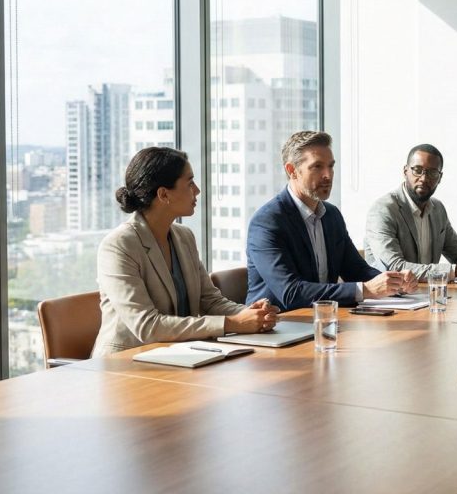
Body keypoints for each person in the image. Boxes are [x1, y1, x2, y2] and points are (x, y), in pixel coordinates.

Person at [93, 147, 278, 357]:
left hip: (178, 355)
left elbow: (210, 300)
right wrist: (232, 323)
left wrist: (250, 314)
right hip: (125, 362)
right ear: (163, 194)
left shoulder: (184, 236)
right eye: (190, 183)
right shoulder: (119, 245)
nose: (197, 190)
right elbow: (147, 326)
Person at [247, 131, 417, 311]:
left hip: (325, 318)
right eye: (317, 167)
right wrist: (367, 290)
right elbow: (291, 293)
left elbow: (356, 270)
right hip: (281, 321)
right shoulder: (267, 222)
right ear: (292, 171)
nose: (328, 175)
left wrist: (395, 282)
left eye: (330, 166)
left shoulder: (331, 215)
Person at [365, 144, 457, 281]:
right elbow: (394, 267)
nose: (424, 178)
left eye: (432, 173)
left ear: (440, 178)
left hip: (430, 292)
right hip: (392, 294)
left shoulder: (438, 209)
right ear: (405, 171)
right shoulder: (383, 210)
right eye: (417, 170)